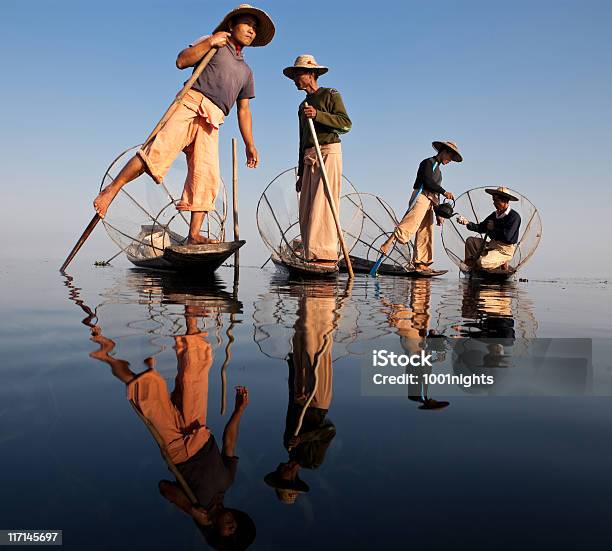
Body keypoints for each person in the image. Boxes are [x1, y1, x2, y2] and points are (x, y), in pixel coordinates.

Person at [93, 5, 275, 245]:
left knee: (207, 175)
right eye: (247, 24)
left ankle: (193, 235)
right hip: (190, 104)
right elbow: (181, 61)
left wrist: (249, 144)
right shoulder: (214, 43)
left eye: (254, 27)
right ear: (231, 25)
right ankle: (112, 189)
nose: (251, 30)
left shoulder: (246, 71)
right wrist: (211, 42)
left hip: (214, 119)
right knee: (157, 152)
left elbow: (244, 110)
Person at [88, 303, 255, 550]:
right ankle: (192, 319)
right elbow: (229, 442)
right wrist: (239, 410)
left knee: (146, 391)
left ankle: (106, 354)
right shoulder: (227, 481)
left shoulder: (196, 507)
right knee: (194, 373)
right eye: (236, 529)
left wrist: (190, 509)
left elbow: (164, 487)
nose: (232, 528)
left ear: (216, 532)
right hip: (199, 428)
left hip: (176, 447)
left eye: (229, 534)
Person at [283, 55, 352, 267]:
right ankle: (309, 252)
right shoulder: (301, 106)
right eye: (294, 75)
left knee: (324, 202)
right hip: (309, 156)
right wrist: (301, 173)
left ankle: (325, 255)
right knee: (306, 206)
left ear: (311, 74)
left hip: (328, 151)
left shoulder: (330, 95)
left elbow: (346, 125)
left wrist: (318, 115)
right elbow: (302, 139)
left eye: (298, 74)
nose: (295, 79)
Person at [380, 141, 462, 274]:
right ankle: (387, 244)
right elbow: (427, 181)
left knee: (426, 230)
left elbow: (435, 192)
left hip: (431, 201)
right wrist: (444, 191)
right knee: (411, 222)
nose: (450, 161)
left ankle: (421, 262)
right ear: (445, 152)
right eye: (450, 157)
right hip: (421, 196)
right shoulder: (428, 162)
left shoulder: (439, 172)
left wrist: (438, 213)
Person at [457, 186, 521, 271]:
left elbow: (507, 237)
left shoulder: (514, 217)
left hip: (504, 251)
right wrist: (467, 223)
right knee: (470, 241)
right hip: (491, 246)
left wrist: (493, 228)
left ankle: (500, 262)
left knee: (481, 262)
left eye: (496, 201)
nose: (494, 203)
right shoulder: (494, 215)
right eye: (493, 201)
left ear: (505, 201)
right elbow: (481, 228)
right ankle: (476, 263)